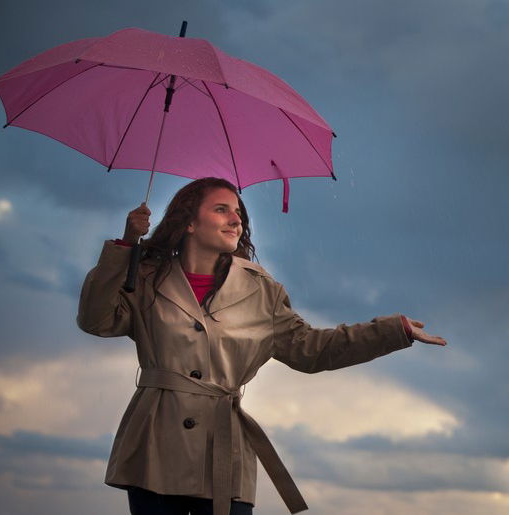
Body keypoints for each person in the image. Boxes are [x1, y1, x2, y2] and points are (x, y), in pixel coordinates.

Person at [78, 177, 447, 515]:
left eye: (238, 212)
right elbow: (97, 320)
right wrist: (126, 246)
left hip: (223, 451)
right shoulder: (146, 276)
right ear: (188, 222)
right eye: (221, 209)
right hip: (153, 448)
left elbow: (312, 349)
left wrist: (392, 331)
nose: (235, 220)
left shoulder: (261, 290)